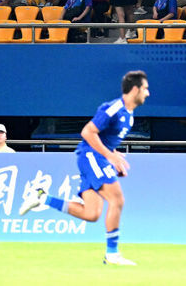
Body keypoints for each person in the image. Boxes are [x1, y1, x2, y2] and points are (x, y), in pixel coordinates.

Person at [19, 70, 150, 266]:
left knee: (92, 214)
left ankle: (42, 198)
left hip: (97, 158)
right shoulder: (113, 108)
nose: (148, 93)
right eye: (145, 89)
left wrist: (114, 155)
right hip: (91, 156)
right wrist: (109, 155)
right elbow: (87, 132)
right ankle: (112, 254)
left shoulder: (130, 116)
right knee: (117, 199)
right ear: (135, 89)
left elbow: (106, 140)